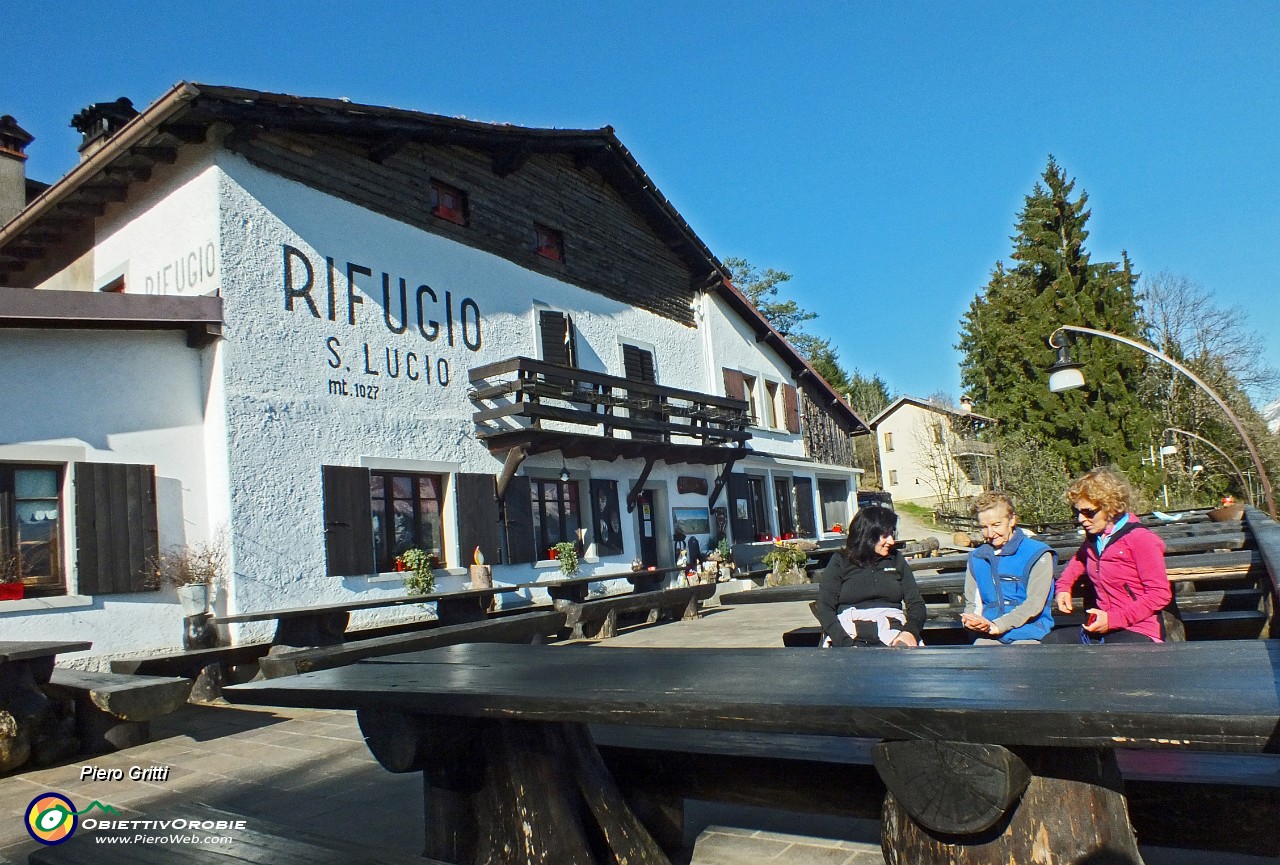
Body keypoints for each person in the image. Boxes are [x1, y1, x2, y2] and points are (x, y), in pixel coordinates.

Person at [1044, 467, 1172, 644]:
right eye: (1077, 513)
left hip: (1139, 630)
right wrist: (1063, 587)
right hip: (1103, 628)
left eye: (1088, 512)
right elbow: (1078, 560)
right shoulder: (1095, 539)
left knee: (1108, 657)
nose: (1081, 519)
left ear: (1110, 507)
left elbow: (1160, 594)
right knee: (1052, 642)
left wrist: (1114, 619)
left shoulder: (1141, 539)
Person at [815, 505, 925, 647]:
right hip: (849, 634)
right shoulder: (840, 561)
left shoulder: (896, 559)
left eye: (892, 534)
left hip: (893, 633)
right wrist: (845, 643)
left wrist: (909, 632)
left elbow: (916, 604)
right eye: (885, 535)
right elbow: (824, 607)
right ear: (868, 535)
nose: (891, 541)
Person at [960, 492, 1057, 645]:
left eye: (996, 525)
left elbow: (1035, 603)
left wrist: (999, 625)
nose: (990, 533)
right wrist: (971, 620)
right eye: (984, 527)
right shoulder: (977, 558)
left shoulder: (1038, 554)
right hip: (988, 635)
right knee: (980, 652)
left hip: (1029, 632)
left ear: (1012, 520)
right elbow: (973, 603)